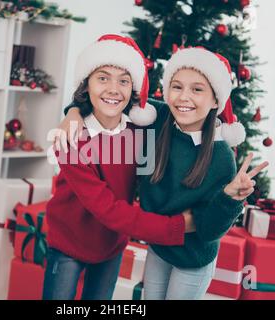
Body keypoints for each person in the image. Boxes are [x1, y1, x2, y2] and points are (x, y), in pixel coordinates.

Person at [57, 46, 269, 299]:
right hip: (159, 247)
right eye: (177, 87)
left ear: (215, 101)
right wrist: (73, 111)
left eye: (197, 89)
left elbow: (209, 230)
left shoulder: (221, 158)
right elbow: (111, 98)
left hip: (192, 259)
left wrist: (231, 197)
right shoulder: (155, 119)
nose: (184, 97)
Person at [43, 35, 196, 300]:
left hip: (111, 244)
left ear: (133, 89)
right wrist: (177, 227)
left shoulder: (142, 127)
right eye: (103, 78)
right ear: (86, 85)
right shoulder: (69, 140)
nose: (114, 89)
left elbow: (187, 110)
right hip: (69, 241)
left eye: (124, 80)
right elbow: (108, 210)